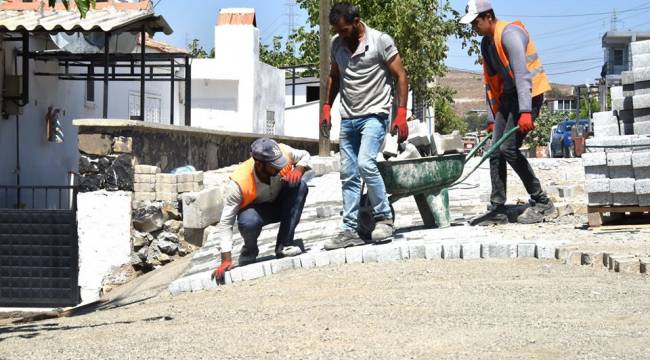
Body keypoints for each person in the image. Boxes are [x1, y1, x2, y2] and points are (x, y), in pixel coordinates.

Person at [320, 2, 409, 250]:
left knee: (365, 163)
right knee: (348, 175)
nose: (341, 36)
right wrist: (326, 106)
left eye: (345, 30)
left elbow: (401, 75)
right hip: (348, 118)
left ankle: (384, 219)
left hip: (374, 115)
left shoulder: (380, 41)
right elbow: (334, 76)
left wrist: (401, 113)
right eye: (338, 31)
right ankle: (349, 229)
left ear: (357, 22)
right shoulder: (337, 45)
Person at [460, 0, 555, 226]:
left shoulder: (510, 35)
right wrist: (492, 118)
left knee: (508, 148)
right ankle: (497, 209)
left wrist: (525, 112)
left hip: (529, 96)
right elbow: (491, 84)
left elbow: (523, 76)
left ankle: (542, 202)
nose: (474, 28)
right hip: (509, 98)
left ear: (489, 17)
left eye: (476, 22)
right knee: (495, 151)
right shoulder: (486, 44)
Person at [211, 138, 311, 281]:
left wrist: (299, 170)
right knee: (248, 221)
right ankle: (249, 251)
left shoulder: (282, 151)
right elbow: (226, 223)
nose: (279, 168)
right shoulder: (238, 183)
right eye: (274, 165)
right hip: (258, 212)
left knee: (300, 187)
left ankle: (285, 245)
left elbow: (305, 155)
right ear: (259, 164)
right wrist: (226, 259)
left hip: (281, 202)